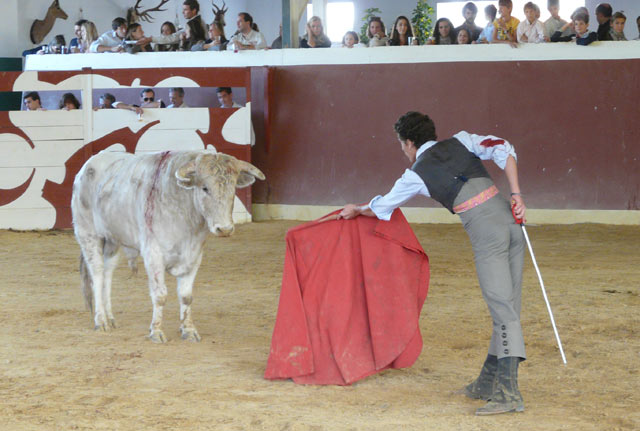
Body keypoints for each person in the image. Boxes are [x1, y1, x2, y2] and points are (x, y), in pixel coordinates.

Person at [339, 111, 527, 416]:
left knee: (502, 308)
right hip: (510, 220)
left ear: (410, 142)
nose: (402, 150)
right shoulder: (463, 141)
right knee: (509, 306)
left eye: (402, 144)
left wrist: (357, 209)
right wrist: (517, 193)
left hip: (486, 232)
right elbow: (503, 147)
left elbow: (382, 206)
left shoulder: (415, 174)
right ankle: (487, 382)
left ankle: (509, 394)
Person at [139, 1, 206, 49]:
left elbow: (173, 38)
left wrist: (151, 39)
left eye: (185, 9)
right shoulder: (200, 22)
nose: (183, 12)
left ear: (194, 10)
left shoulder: (192, 24)